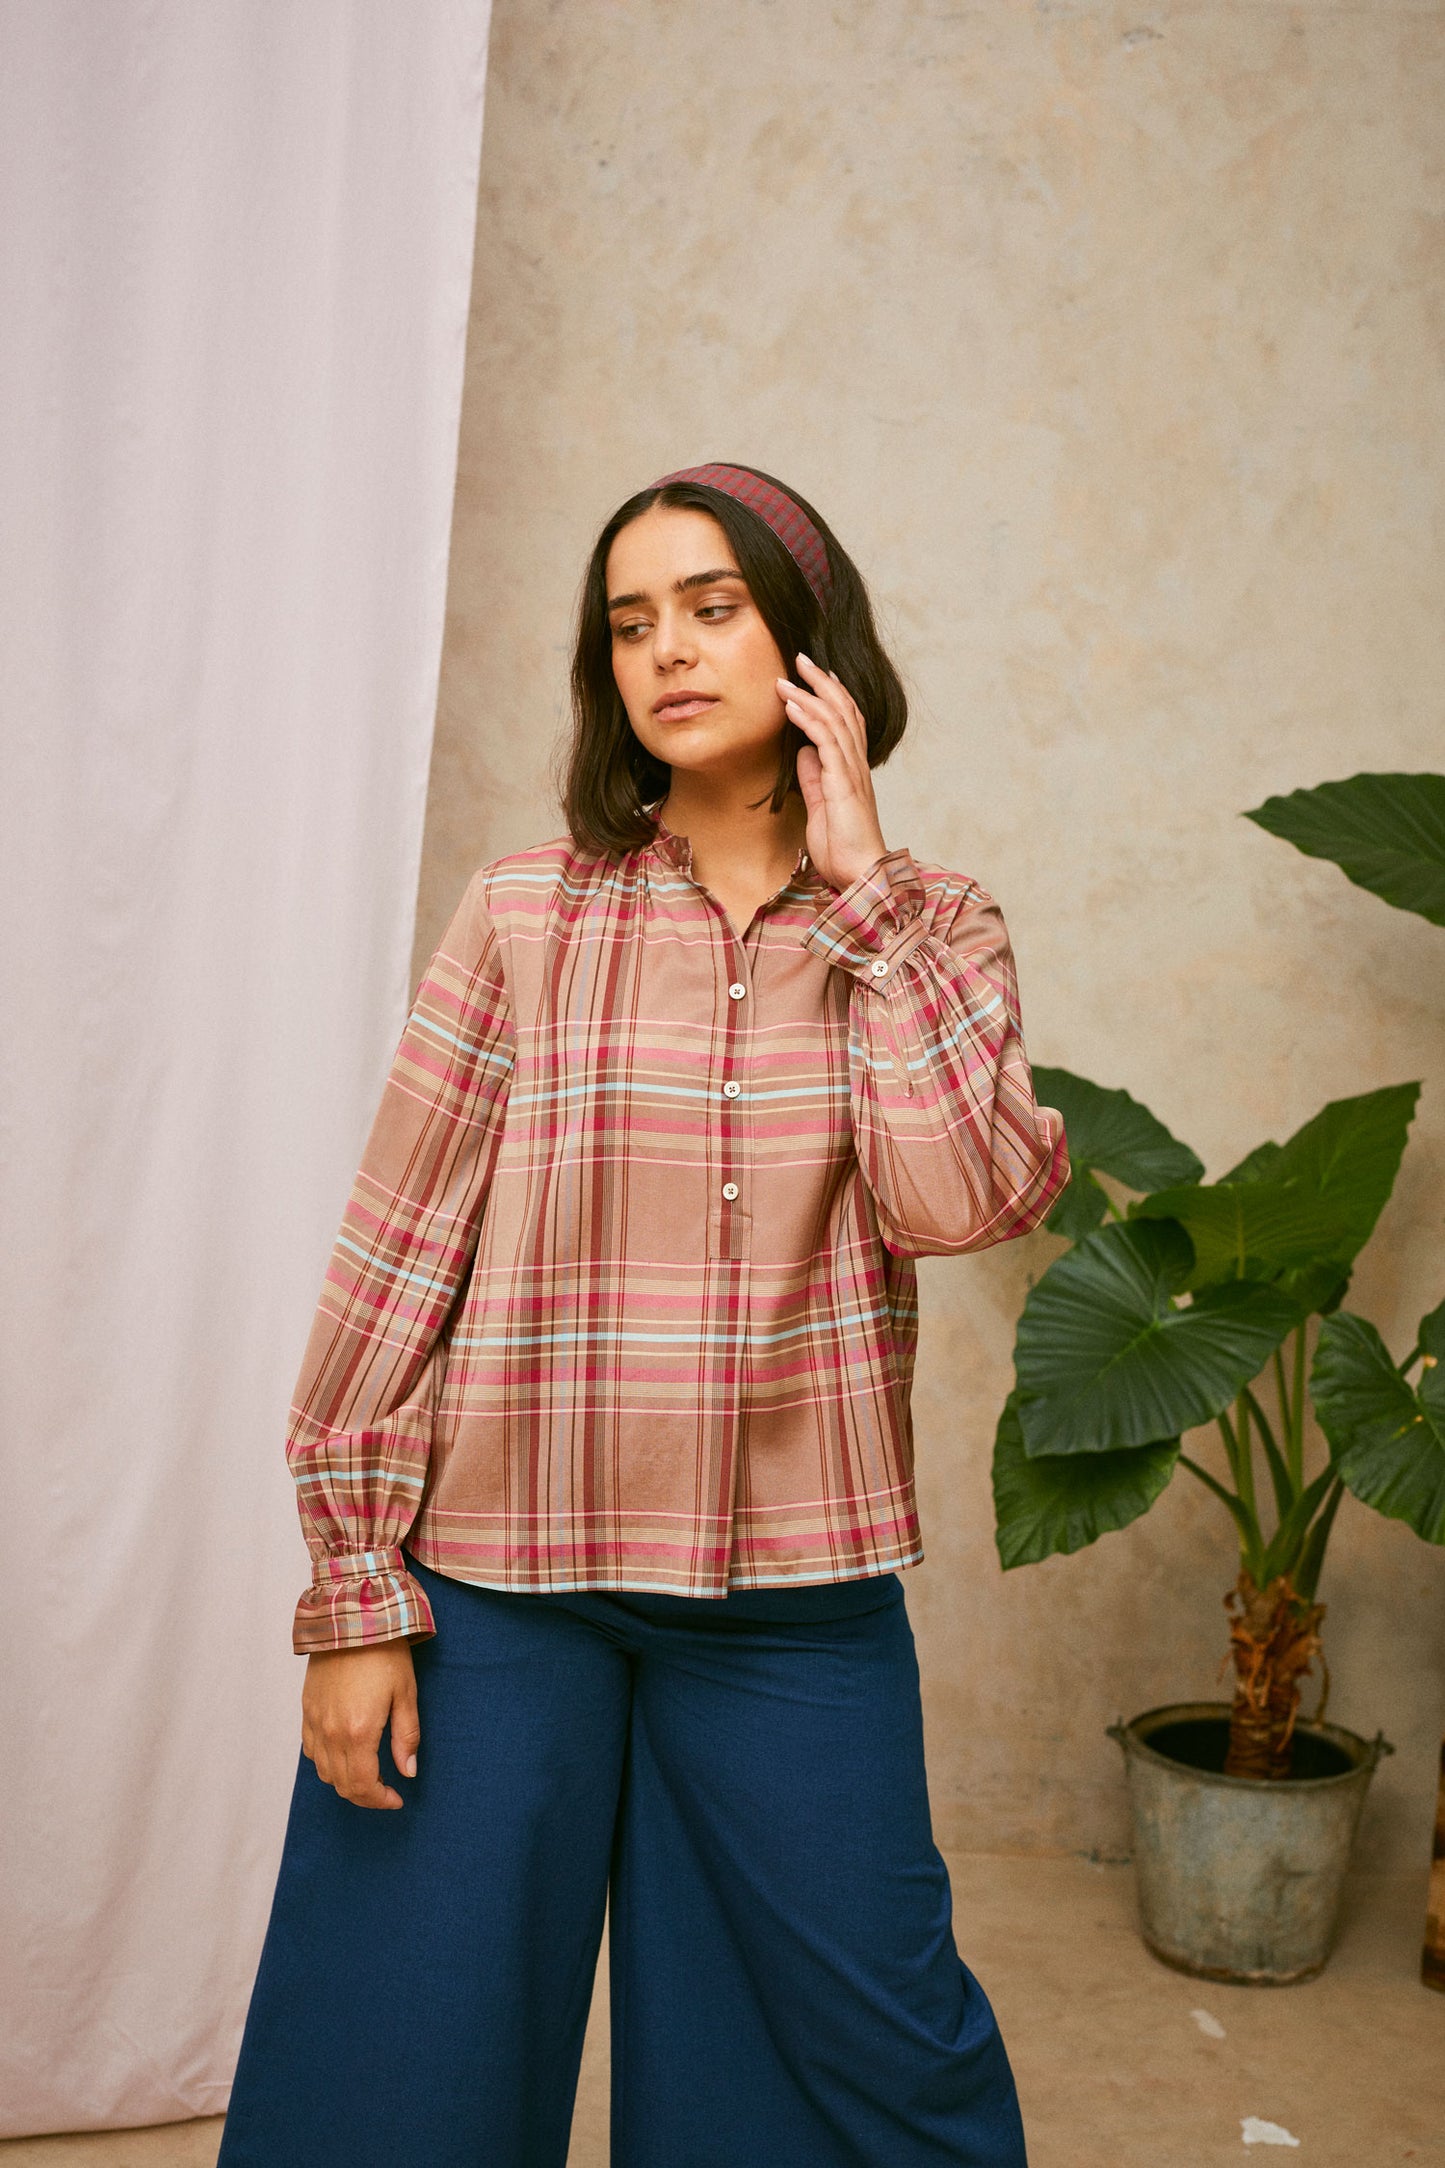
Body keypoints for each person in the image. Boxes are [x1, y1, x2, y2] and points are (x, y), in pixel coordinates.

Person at [218, 462, 1068, 2167]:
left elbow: (958, 1200)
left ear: (807, 644)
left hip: (792, 1600)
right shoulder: (526, 912)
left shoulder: (929, 926)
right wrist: (356, 1595)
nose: (665, 650)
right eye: (629, 622)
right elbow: (399, 1255)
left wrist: (864, 888)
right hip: (499, 1588)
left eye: (712, 606)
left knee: (858, 2069)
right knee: (395, 2074)